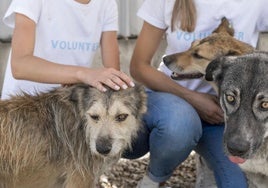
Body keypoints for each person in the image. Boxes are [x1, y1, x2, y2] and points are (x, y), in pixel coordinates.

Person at [123, 0, 268, 188]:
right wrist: (193, 99)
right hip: (171, 105)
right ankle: (154, 179)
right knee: (180, 124)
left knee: (237, 184)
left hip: (219, 117)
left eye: (197, 56)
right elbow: (138, 67)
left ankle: (207, 161)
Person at [1, 0, 134, 100]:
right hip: (23, 109)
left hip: (69, 110)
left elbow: (112, 75)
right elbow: (20, 66)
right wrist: (82, 74)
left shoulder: (107, 3)